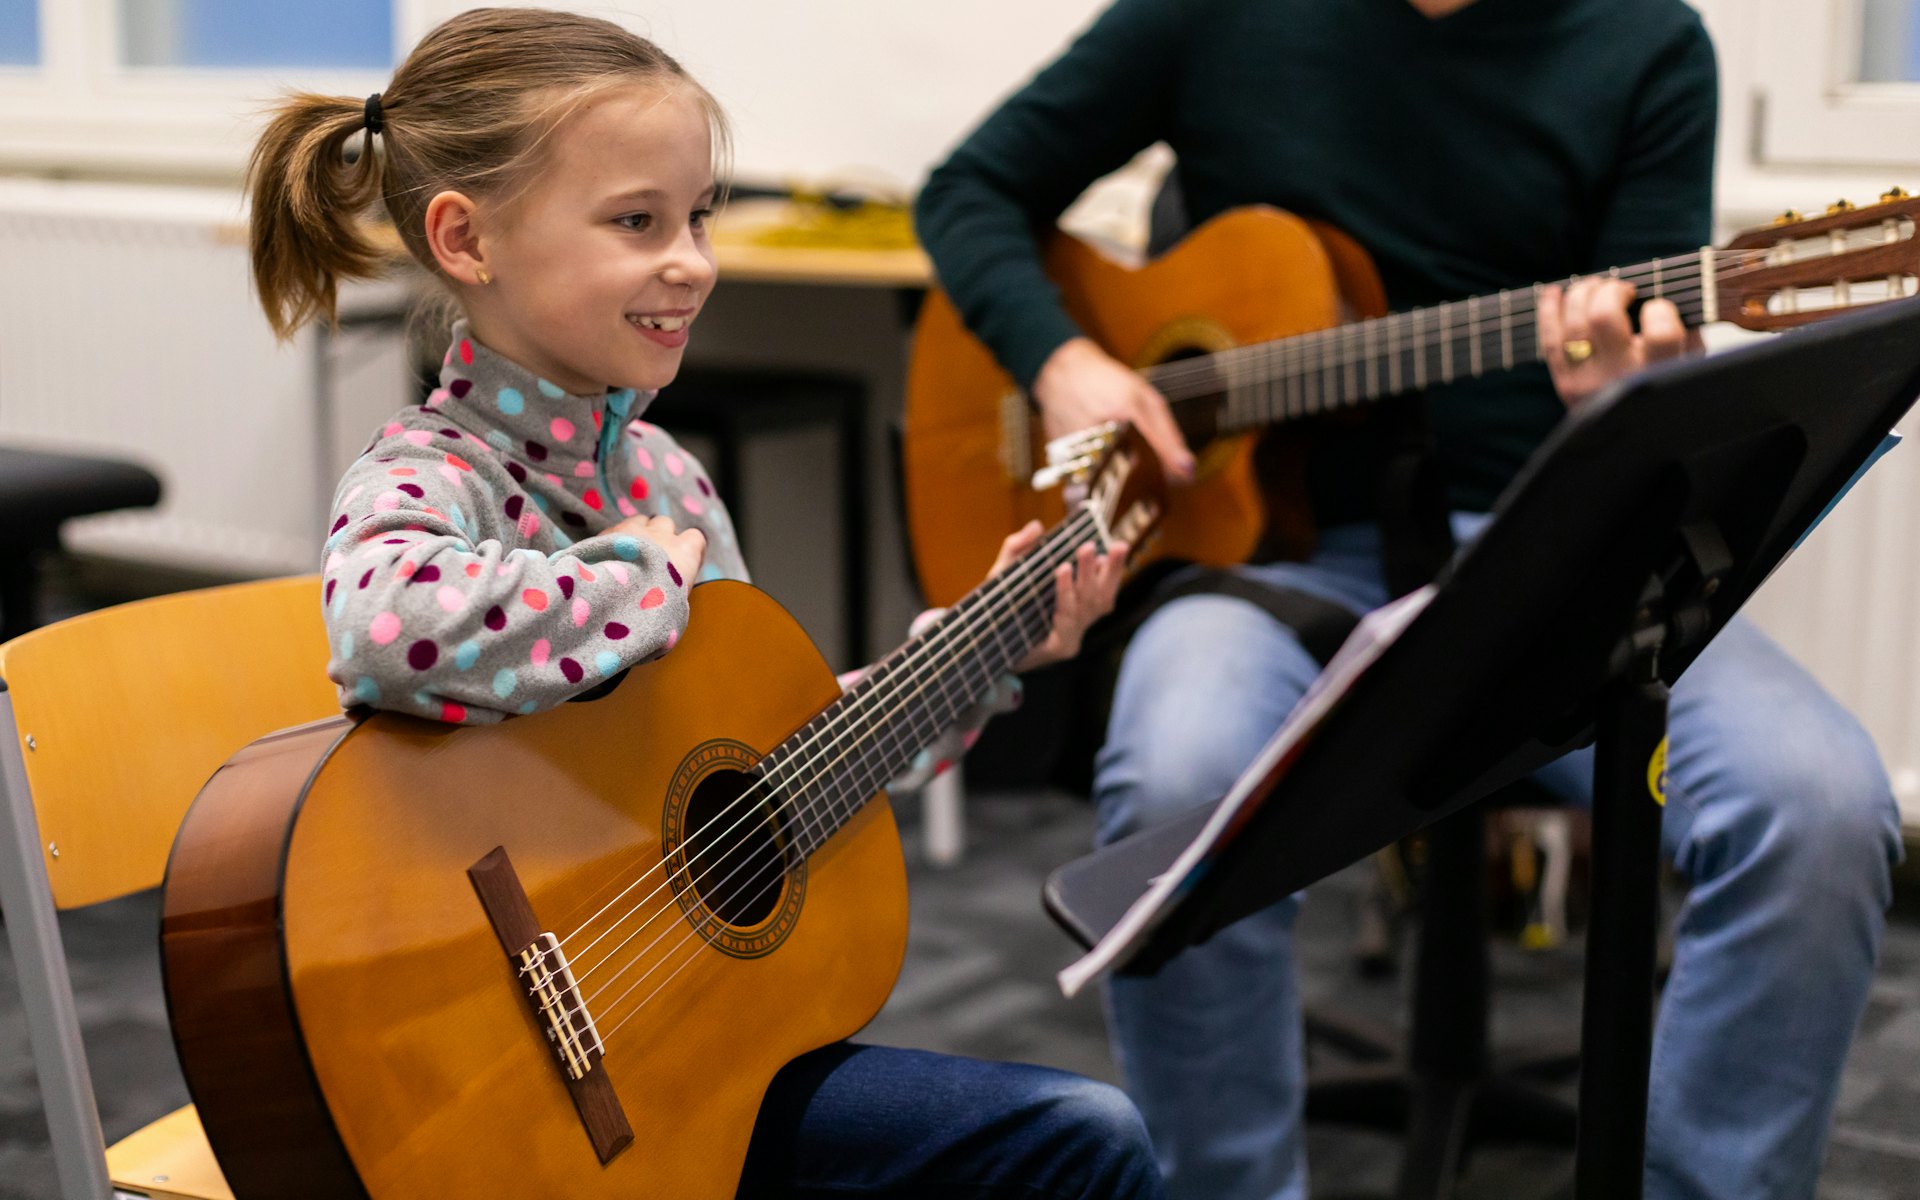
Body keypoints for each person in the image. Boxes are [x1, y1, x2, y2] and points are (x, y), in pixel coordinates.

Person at [914, 1, 1903, 1197]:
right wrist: (1063, 362)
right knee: (1175, 770)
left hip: (1561, 551)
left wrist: (1615, 397)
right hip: (1271, 560)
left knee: (1821, 804)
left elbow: (1649, 388)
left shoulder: (1644, 42)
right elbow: (968, 188)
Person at [248, 9, 1161, 1199]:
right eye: (638, 222)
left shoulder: (665, 478)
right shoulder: (435, 472)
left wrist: (983, 653)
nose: (693, 260)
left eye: (698, 217)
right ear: (466, 240)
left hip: (691, 1040)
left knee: (1084, 1135)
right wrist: (638, 579)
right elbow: (384, 627)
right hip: (508, 1093)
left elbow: (759, 767)